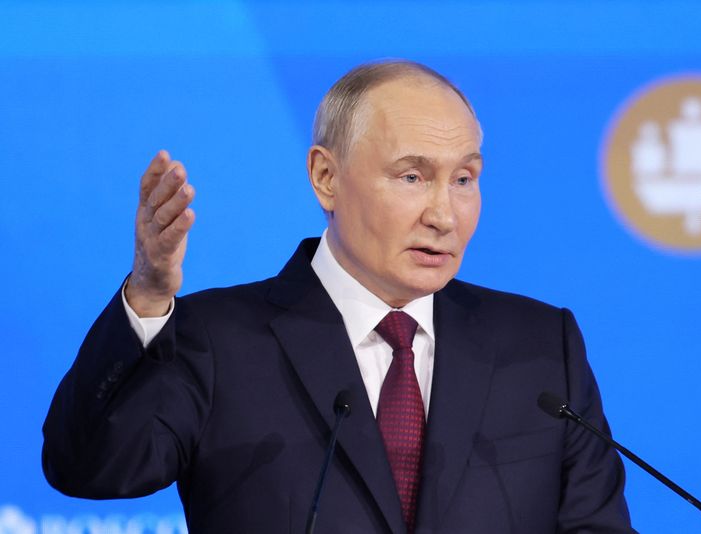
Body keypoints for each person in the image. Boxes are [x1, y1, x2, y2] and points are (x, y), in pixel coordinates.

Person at [43, 60, 634, 533]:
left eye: (464, 179)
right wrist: (147, 294)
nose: (443, 214)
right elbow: (89, 468)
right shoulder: (217, 339)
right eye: (412, 176)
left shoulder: (539, 346)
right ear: (326, 177)